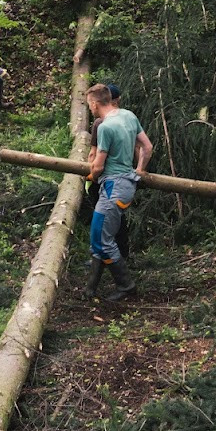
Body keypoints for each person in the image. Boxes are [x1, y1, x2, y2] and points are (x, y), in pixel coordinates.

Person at [84, 83, 152, 301]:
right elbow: (147, 147)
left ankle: (126, 285)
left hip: (113, 188)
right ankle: (90, 290)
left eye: (89, 105)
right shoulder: (128, 116)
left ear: (95, 104)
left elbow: (98, 166)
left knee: (101, 240)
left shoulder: (105, 127)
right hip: (126, 185)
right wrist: (139, 170)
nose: (90, 109)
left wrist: (91, 175)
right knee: (100, 236)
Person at [84, 83, 130, 260]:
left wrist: (91, 174)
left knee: (101, 220)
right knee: (118, 218)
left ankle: (103, 257)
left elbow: (94, 153)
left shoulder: (100, 124)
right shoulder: (127, 119)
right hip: (124, 179)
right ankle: (122, 253)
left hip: (104, 179)